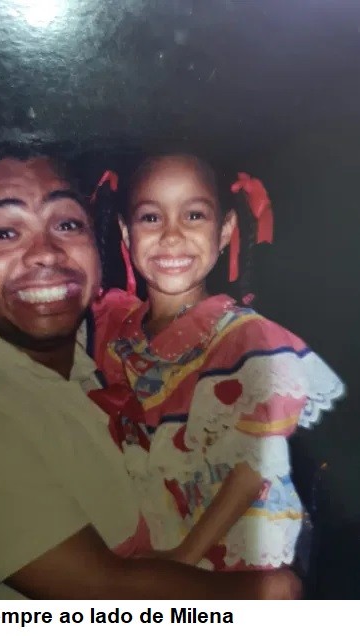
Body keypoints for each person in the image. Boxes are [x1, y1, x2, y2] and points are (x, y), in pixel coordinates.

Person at [0, 133, 300, 599]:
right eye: (4, 233)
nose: (46, 252)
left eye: (67, 224)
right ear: (125, 234)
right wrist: (268, 592)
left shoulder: (89, 352)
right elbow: (104, 592)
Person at [90, 153, 345, 570]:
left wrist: (181, 562)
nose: (172, 236)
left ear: (225, 230)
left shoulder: (245, 339)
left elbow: (250, 472)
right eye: (151, 218)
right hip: (145, 542)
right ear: (125, 231)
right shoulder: (115, 326)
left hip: (220, 553)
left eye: (193, 215)